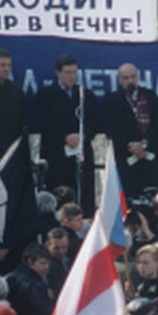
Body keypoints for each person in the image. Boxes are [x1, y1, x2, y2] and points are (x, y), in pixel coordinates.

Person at [35, 53, 100, 214]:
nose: (72, 77)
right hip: (56, 154)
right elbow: (43, 122)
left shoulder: (85, 95)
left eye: (74, 73)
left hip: (80, 154)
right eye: (67, 73)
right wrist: (64, 137)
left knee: (82, 193)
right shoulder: (46, 95)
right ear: (58, 73)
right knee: (59, 193)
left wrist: (83, 136)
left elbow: (96, 121)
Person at [104, 62, 158, 193]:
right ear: (119, 80)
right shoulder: (112, 100)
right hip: (125, 159)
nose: (130, 81)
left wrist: (144, 144)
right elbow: (111, 128)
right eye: (126, 78)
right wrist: (130, 146)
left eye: (133, 77)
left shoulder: (150, 96)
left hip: (150, 158)